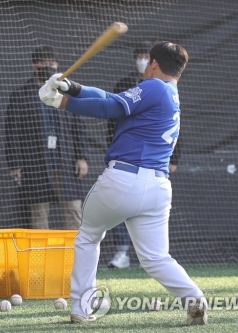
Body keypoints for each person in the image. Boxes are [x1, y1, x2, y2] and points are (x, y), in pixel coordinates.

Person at [39, 41, 207, 325]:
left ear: (154, 64)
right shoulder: (170, 92)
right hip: (157, 187)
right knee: (156, 258)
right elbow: (111, 97)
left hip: (123, 179)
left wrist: (60, 102)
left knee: (88, 236)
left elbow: (110, 106)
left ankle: (81, 307)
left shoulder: (153, 87)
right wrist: (71, 88)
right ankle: (195, 300)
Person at [107, 41, 182, 269]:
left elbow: (172, 124)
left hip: (156, 164)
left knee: (150, 226)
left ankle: (151, 258)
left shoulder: (164, 87)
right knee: (116, 211)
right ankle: (122, 253)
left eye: (146, 57)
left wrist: (173, 158)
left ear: (155, 63)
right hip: (126, 160)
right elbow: (112, 117)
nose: (143, 61)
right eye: (139, 56)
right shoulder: (125, 84)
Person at [5, 46, 89, 230]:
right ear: (34, 66)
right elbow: (12, 131)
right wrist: (15, 164)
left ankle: (76, 257)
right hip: (35, 162)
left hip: (65, 161)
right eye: (44, 64)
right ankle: (40, 258)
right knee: (39, 213)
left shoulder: (66, 91)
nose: (49, 67)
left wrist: (81, 157)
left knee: (74, 210)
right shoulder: (21, 95)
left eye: (52, 64)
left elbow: (78, 128)